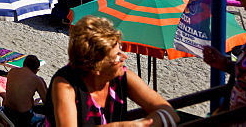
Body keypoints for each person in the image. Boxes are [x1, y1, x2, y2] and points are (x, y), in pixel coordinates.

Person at [47, 15, 176, 127]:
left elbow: (169, 112)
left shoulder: (121, 75)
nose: (125, 57)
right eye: (117, 55)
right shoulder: (66, 84)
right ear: (96, 65)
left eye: (121, 49)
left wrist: (145, 124)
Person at [5, 55, 48, 127]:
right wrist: (43, 83)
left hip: (7, 112)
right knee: (50, 115)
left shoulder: (12, 71)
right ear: (36, 69)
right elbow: (47, 102)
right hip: (22, 117)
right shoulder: (36, 79)